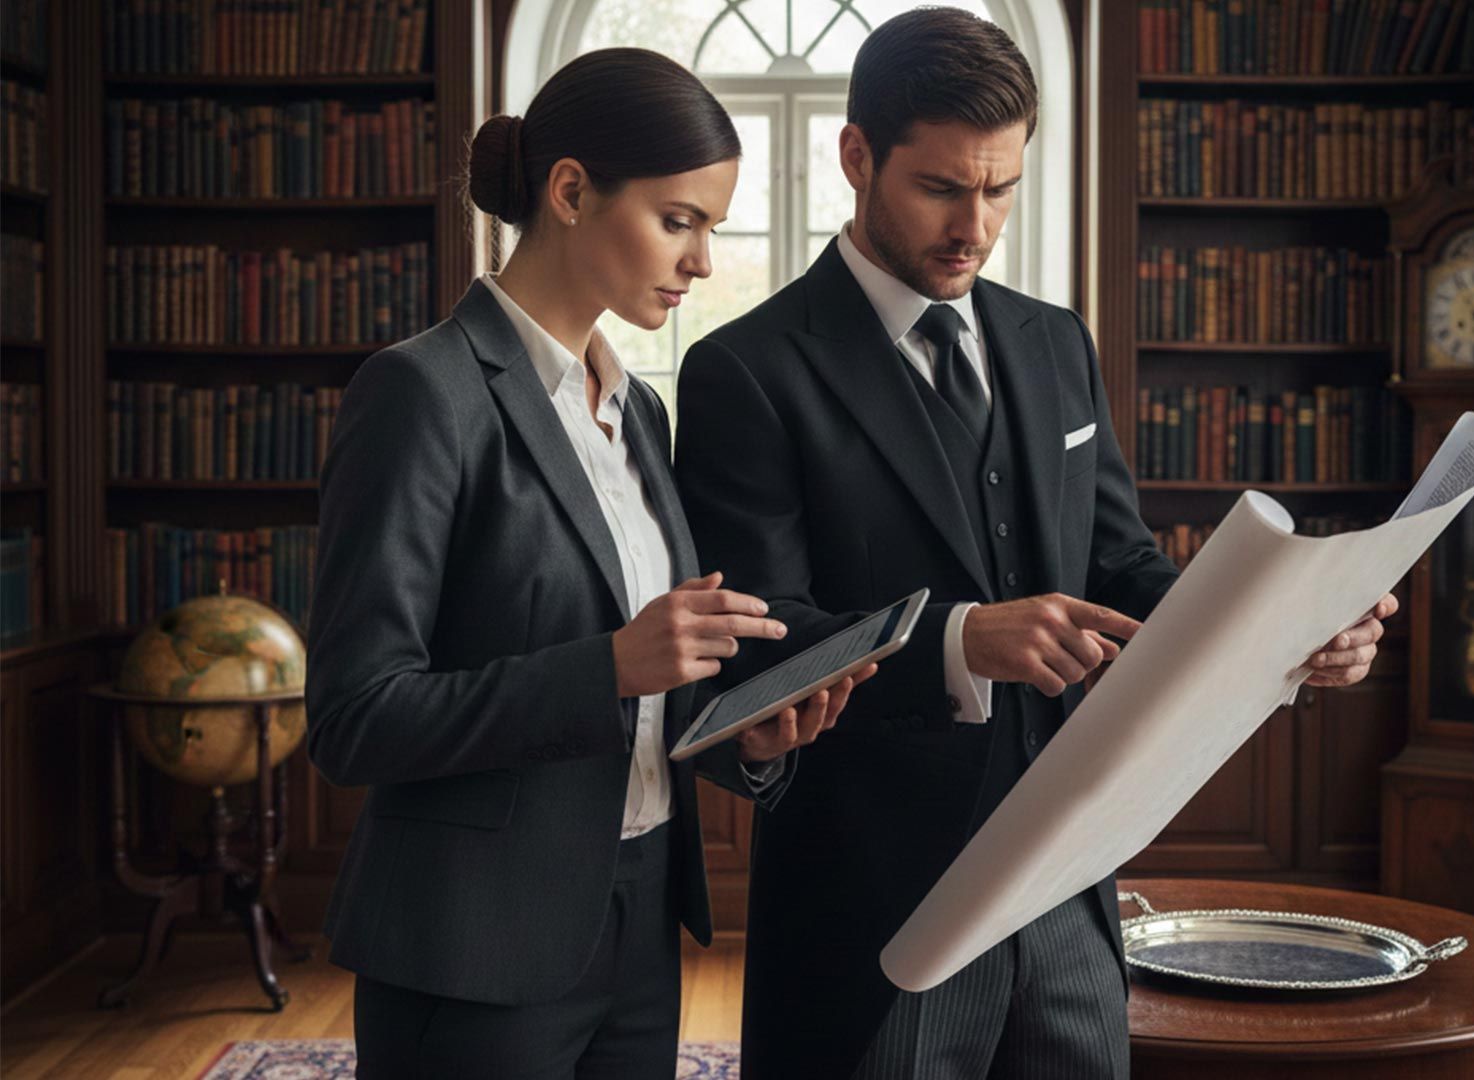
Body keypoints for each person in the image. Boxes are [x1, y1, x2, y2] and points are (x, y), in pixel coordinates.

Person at [674, 10, 1398, 1079]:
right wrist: (961, 642)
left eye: (1001, 187)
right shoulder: (745, 370)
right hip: (880, 908)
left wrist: (1287, 630)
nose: (975, 224)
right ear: (856, 156)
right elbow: (756, 643)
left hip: (1070, 889)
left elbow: (1120, 570)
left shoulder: (1052, 341)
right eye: (941, 188)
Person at [305, 47, 868, 1079]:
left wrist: (751, 739)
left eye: (711, 227)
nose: (701, 261)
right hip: (472, 947)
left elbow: (655, 696)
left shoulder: (637, 411)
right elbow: (353, 718)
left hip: (639, 923)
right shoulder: (419, 396)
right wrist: (607, 665)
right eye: (678, 219)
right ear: (569, 190)